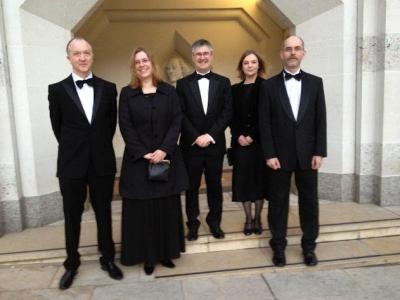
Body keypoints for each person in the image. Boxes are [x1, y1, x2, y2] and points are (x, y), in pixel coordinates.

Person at [48, 37, 123, 290]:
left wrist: (95, 148)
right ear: (68, 57)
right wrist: (77, 149)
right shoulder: (57, 90)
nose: (82, 57)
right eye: (76, 53)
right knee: (72, 215)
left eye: (86, 53)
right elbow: (58, 128)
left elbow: (110, 126)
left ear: (92, 56)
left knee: (104, 213)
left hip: (101, 161)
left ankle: (108, 258)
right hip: (71, 164)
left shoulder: (109, 88)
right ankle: (72, 263)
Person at [118, 47, 189, 275]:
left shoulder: (169, 91)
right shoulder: (126, 93)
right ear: (133, 67)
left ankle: (166, 253)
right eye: (137, 61)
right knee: (144, 210)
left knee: (165, 207)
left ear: (152, 63)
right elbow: (125, 125)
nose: (141, 64)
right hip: (138, 162)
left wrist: (164, 149)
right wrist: (143, 152)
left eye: (145, 60)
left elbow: (176, 121)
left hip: (165, 159)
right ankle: (147, 257)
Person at [259, 35, 327, 267]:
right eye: (288, 49)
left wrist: (320, 151)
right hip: (279, 156)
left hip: (309, 155)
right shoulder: (268, 86)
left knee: (309, 202)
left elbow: (320, 120)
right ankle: (278, 247)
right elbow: (264, 123)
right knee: (278, 203)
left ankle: (309, 247)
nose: (292, 53)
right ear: (281, 54)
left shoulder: (316, 83)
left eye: (297, 48)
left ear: (303, 53)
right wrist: (269, 154)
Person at [176, 39, 232, 241]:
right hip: (191, 146)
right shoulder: (182, 84)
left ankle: (215, 223)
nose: (202, 57)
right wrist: (196, 137)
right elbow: (180, 114)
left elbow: (227, 113)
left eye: (205, 53)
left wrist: (209, 136)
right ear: (193, 57)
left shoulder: (224, 82)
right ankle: (192, 224)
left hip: (215, 145)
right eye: (198, 54)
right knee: (191, 188)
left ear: (211, 55)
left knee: (215, 186)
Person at [230, 50, 267, 236]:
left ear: (259, 65)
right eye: (246, 63)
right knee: (243, 184)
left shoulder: (267, 87)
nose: (250, 65)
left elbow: (267, 117)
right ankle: (248, 219)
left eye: (253, 62)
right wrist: (238, 136)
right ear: (241, 67)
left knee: (259, 183)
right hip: (240, 145)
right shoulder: (234, 89)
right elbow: (231, 116)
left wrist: (252, 136)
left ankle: (258, 218)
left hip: (259, 144)